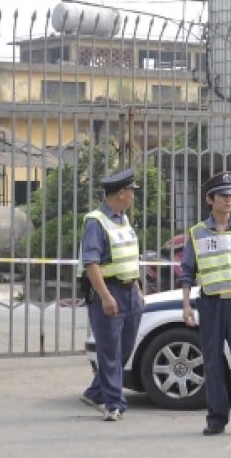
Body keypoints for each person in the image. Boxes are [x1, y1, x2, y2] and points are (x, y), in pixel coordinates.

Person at [180, 170, 231, 437]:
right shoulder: (197, 234)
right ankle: (216, 419)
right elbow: (187, 273)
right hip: (211, 304)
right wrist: (186, 306)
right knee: (214, 363)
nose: (228, 200)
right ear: (210, 199)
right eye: (223, 196)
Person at [79, 168, 144, 421]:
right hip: (109, 290)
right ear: (121, 193)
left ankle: (95, 392)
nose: (133, 196)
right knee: (109, 350)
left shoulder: (122, 219)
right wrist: (105, 296)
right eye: (132, 192)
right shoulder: (96, 221)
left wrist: (138, 289)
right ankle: (114, 404)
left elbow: (129, 257)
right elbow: (91, 263)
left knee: (124, 348)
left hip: (130, 292)